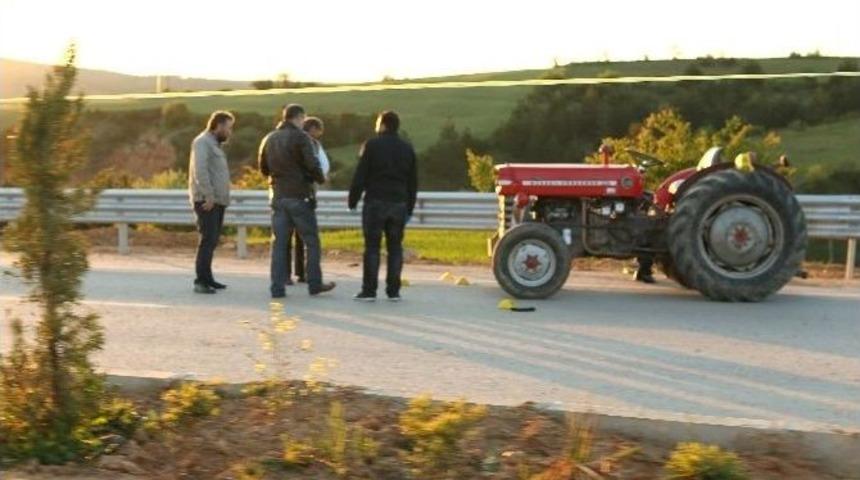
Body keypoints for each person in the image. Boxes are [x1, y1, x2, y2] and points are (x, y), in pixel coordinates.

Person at [258, 104, 335, 298]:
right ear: (299, 118)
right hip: (300, 196)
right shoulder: (302, 138)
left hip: (278, 196)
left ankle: (277, 287)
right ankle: (314, 284)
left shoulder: (269, 138)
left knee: (279, 244)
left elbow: (263, 168)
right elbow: (312, 164)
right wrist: (320, 178)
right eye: (303, 119)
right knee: (311, 241)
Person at [348, 110, 418, 301]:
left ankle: (369, 290)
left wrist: (353, 199)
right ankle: (393, 291)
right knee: (395, 247)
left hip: (375, 201)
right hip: (399, 202)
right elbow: (413, 181)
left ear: (383, 125)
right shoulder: (407, 147)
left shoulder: (372, 145)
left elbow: (360, 175)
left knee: (372, 247)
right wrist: (410, 206)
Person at [188, 110, 234, 294]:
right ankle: (200, 281)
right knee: (207, 240)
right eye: (229, 128)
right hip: (207, 200)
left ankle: (208, 278)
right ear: (219, 126)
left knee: (212, 240)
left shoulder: (214, 143)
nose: (230, 132)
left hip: (217, 200)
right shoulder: (202, 142)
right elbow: (200, 170)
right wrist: (208, 195)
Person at [286, 117, 331, 284]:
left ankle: (285, 275)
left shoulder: (283, 140)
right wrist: (320, 178)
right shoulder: (310, 143)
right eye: (318, 131)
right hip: (304, 192)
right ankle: (306, 275)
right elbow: (318, 166)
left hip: (285, 192)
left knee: (286, 236)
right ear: (312, 128)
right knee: (306, 236)